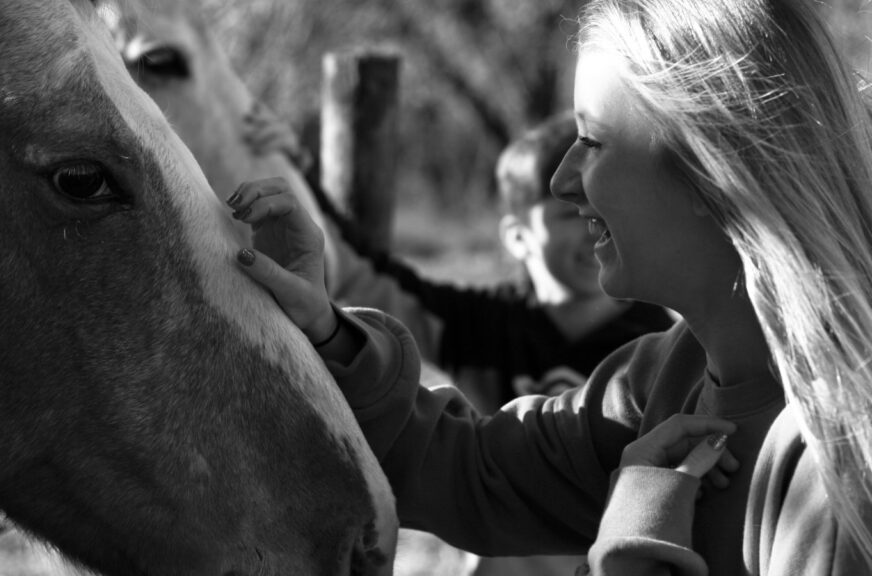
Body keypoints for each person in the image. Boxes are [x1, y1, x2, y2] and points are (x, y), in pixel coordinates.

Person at [227, 0, 872, 573]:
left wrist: (634, 532)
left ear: (709, 170)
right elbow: (471, 470)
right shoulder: (657, 384)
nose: (564, 181)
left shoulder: (841, 463)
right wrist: (324, 334)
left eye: (592, 142)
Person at [244, 107, 674, 413]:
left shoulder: (664, 343)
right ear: (517, 236)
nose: (593, 225)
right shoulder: (476, 325)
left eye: (604, 207)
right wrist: (300, 173)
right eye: (569, 212)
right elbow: (365, 273)